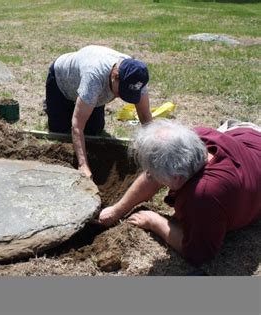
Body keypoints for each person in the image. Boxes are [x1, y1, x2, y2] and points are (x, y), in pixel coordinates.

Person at [98, 119, 261, 265]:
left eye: (154, 175)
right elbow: (152, 176)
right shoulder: (194, 138)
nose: (150, 176)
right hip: (250, 140)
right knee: (165, 162)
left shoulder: (202, 196)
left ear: (177, 178)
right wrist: (116, 211)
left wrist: (154, 221)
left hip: (252, 172)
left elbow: (198, 252)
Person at [45, 45, 153, 178]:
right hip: (61, 84)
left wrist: (153, 152)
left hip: (95, 94)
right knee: (59, 132)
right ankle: (56, 106)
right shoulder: (94, 76)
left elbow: (144, 114)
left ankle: (83, 103)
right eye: (122, 92)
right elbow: (77, 125)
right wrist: (83, 165)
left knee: (94, 131)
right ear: (115, 75)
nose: (121, 97)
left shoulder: (136, 76)